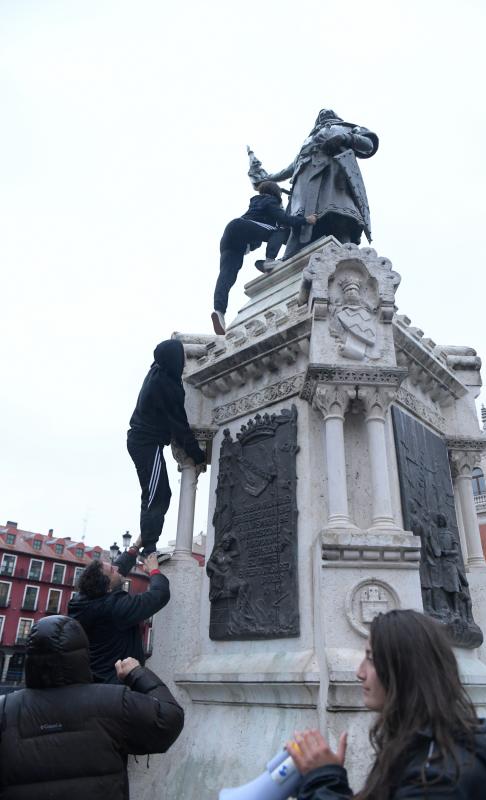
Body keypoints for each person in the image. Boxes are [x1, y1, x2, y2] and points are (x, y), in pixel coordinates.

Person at [287, 609, 486, 800]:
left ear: (404, 669)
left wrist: (323, 781)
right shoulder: (422, 744)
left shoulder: (438, 776)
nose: (359, 672)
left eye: (370, 659)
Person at [0, 615, 183, 800]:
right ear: (83, 655)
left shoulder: (5, 709)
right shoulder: (112, 702)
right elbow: (168, 719)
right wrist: (136, 674)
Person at [116, 337, 206, 576]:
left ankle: (133, 554)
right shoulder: (167, 387)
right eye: (182, 358)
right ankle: (150, 550)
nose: (185, 362)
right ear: (175, 361)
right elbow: (180, 426)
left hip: (142, 441)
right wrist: (198, 455)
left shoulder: (157, 370)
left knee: (157, 493)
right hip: (147, 443)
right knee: (156, 496)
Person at [259, 109, 378, 260]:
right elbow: (290, 168)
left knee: (339, 213)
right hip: (305, 186)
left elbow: (368, 145)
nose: (325, 113)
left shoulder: (348, 127)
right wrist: (266, 178)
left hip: (334, 176)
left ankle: (347, 255)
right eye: (321, 113)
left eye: (329, 112)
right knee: (300, 221)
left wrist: (345, 138)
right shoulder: (308, 141)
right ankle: (287, 259)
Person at [212, 181, 317, 335]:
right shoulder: (270, 200)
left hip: (230, 237)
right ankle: (269, 261)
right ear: (276, 193)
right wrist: (306, 220)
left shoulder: (257, 202)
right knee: (280, 227)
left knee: (227, 275)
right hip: (242, 228)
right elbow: (285, 220)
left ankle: (219, 311)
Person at [68, 555, 169, 682]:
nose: (117, 568)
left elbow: (116, 571)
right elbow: (159, 595)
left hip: (96, 677)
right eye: (112, 570)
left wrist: (135, 548)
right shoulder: (115, 608)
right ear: (108, 588)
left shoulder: (81, 601)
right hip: (118, 684)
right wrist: (154, 570)